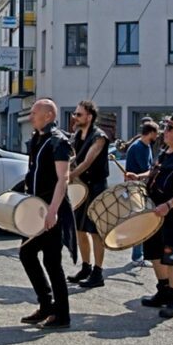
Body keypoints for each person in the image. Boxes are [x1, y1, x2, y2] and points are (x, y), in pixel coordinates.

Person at [125, 114, 173, 318]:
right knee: (155, 253)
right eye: (166, 128)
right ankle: (163, 291)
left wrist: (169, 205)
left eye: (169, 129)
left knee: (172, 257)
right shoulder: (164, 153)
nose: (164, 132)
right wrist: (138, 177)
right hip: (154, 212)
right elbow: (153, 173)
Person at [18, 99, 76, 330]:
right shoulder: (37, 138)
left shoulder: (57, 142)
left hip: (52, 209)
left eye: (34, 112)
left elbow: (64, 179)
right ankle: (46, 304)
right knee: (27, 253)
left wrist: (53, 212)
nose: (30, 116)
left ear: (49, 115)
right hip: (36, 209)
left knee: (52, 262)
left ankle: (62, 315)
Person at [66, 100, 110, 289]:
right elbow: (74, 158)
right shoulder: (77, 135)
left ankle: (98, 273)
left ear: (89, 117)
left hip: (95, 187)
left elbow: (87, 162)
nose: (75, 117)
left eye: (78, 114)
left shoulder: (99, 137)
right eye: (75, 114)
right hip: (80, 187)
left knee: (94, 232)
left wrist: (68, 176)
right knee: (79, 230)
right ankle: (86, 267)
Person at [124, 120, 159, 265]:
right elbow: (146, 169)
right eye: (156, 133)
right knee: (139, 221)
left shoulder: (145, 146)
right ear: (150, 133)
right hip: (136, 188)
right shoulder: (139, 147)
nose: (157, 136)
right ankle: (137, 256)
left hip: (141, 187)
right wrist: (154, 171)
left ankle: (141, 255)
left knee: (143, 221)